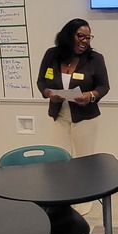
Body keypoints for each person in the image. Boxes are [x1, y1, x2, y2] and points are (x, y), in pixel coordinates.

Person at [36, 18, 110, 157]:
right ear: (68, 35)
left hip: (85, 118)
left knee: (83, 160)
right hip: (59, 116)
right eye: (80, 36)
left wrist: (91, 95)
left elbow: (104, 86)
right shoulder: (52, 55)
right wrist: (48, 93)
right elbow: (41, 82)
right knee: (59, 158)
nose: (85, 41)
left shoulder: (95, 58)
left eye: (88, 38)